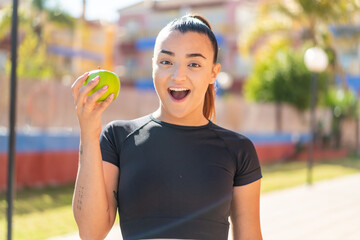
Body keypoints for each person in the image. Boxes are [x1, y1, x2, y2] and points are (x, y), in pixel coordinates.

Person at [71, 14, 262, 240]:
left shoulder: (239, 150)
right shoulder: (118, 137)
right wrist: (89, 132)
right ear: (154, 65)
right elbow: (90, 233)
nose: (177, 75)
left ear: (213, 73)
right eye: (166, 62)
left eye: (193, 64)